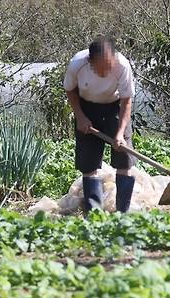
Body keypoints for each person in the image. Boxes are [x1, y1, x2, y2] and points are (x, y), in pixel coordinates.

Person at [63, 36, 136, 213]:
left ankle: (122, 214)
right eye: (100, 68)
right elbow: (70, 90)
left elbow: (127, 102)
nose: (105, 72)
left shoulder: (123, 66)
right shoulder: (77, 64)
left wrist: (119, 134)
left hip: (115, 107)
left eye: (109, 66)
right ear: (90, 61)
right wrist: (80, 116)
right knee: (88, 165)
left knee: (124, 161)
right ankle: (94, 215)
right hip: (87, 107)